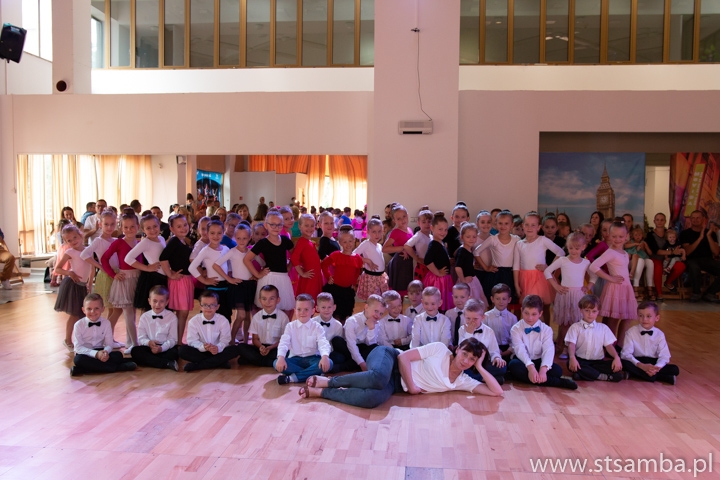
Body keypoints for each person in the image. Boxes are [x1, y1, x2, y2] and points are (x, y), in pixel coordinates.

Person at [299, 337, 503, 408]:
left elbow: (497, 392)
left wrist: (480, 367)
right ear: (457, 349)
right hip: (390, 358)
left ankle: (322, 393)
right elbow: (403, 357)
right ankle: (330, 382)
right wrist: (412, 387)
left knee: (371, 399)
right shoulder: (441, 349)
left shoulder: (462, 380)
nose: (466, 361)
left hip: (395, 384)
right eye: (465, 354)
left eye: (472, 359)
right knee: (378, 377)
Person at [508, 295, 577, 390]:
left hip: (539, 360)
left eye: (534, 314)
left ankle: (522, 378)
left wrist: (543, 370)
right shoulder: (515, 329)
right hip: (523, 361)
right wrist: (531, 368)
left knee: (557, 371)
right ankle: (558, 382)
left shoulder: (546, 329)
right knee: (513, 365)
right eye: (526, 313)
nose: (530, 317)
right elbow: (520, 350)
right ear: (521, 310)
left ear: (540, 313)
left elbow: (548, 350)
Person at [544, 232, 595, 358]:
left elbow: (594, 276)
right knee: (564, 323)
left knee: (576, 322)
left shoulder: (585, 263)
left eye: (577, 248)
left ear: (583, 247)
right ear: (567, 246)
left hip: (578, 295)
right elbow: (547, 271)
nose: (573, 251)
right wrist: (556, 286)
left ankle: (570, 347)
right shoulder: (563, 260)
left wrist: (588, 286)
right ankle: (559, 346)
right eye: (571, 248)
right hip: (565, 294)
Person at [589, 221, 638, 349]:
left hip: (626, 288)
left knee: (627, 318)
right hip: (615, 288)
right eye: (614, 236)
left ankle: (620, 345)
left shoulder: (625, 253)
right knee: (614, 318)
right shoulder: (610, 252)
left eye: (621, 236)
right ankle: (609, 346)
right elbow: (593, 266)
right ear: (609, 236)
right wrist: (610, 278)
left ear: (626, 236)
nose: (617, 239)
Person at [513, 211, 566, 323]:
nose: (529, 227)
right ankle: (530, 330)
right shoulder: (519, 244)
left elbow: (561, 252)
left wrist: (549, 267)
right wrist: (516, 285)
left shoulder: (542, 240)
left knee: (541, 307)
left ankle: (545, 330)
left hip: (539, 279)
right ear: (523, 225)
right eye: (527, 224)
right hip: (525, 280)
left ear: (539, 227)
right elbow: (516, 266)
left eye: (533, 225)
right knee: (529, 307)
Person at [81, 209, 123, 347]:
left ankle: (109, 339)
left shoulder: (116, 240)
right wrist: (100, 265)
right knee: (116, 308)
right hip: (106, 276)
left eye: (112, 224)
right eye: (106, 224)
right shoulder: (98, 241)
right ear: (100, 224)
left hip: (116, 275)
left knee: (112, 309)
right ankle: (106, 338)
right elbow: (84, 254)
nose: (109, 227)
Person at [244, 209, 296, 320]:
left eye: (279, 225)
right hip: (268, 278)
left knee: (284, 309)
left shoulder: (285, 240)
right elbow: (247, 259)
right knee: (268, 308)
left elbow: (295, 255)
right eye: (272, 225)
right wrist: (257, 274)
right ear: (266, 225)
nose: (276, 227)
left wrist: (289, 266)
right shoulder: (263, 243)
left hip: (283, 278)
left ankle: (282, 330)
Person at [101, 213, 142, 352]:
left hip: (137, 279)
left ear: (138, 226)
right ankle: (135, 344)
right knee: (129, 314)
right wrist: (113, 274)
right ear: (121, 228)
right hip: (124, 281)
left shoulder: (140, 243)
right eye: (126, 227)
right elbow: (104, 259)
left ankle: (130, 342)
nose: (129, 230)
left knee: (133, 314)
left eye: (132, 227)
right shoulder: (118, 242)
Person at [70, 293, 137, 376]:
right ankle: (118, 367)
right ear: (83, 310)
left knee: (118, 355)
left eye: (96, 308)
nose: (93, 312)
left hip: (101, 350)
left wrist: (105, 352)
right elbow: (78, 347)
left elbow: (109, 344)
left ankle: (84, 370)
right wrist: (96, 354)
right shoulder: (78, 325)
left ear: (103, 309)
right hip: (86, 353)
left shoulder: (106, 323)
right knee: (78, 360)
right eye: (89, 309)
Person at [214, 223, 258, 343]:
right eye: (238, 238)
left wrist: (256, 275)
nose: (241, 241)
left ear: (250, 237)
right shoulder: (232, 252)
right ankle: (232, 341)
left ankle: (245, 342)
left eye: (244, 238)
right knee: (241, 315)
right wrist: (229, 279)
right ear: (234, 237)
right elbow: (216, 265)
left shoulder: (251, 252)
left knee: (247, 316)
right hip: (238, 286)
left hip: (249, 286)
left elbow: (262, 263)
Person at [274, 294, 333, 384]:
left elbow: (323, 343)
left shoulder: (317, 327)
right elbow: (284, 342)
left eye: (306, 309)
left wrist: (325, 356)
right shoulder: (290, 326)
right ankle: (313, 373)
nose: (302, 312)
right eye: (299, 309)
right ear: (295, 310)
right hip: (295, 359)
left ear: (313, 311)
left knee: (329, 362)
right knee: (276, 363)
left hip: (312, 358)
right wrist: (281, 357)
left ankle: (292, 378)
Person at [565, 294, 623, 382]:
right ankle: (604, 377)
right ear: (581, 310)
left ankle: (584, 375)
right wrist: (572, 357)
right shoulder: (575, 327)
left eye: (594, 311)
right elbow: (571, 344)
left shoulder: (603, 328)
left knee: (618, 364)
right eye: (587, 310)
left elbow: (609, 346)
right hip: (581, 361)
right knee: (569, 364)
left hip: (598, 362)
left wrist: (616, 357)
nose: (590, 314)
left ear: (598, 311)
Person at [179, 291, 241, 371]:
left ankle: (198, 366)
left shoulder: (223, 320)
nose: (209, 308)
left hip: (218, 351)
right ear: (200, 307)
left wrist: (217, 348)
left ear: (217, 307)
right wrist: (203, 347)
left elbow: (225, 339)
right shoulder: (193, 321)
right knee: (183, 351)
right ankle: (219, 362)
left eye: (212, 305)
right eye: (205, 305)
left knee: (234, 350)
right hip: (201, 351)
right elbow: (192, 341)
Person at [620, 301, 679, 384]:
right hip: (638, 361)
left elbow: (665, 356)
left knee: (675, 369)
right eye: (641, 316)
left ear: (657, 318)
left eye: (648, 316)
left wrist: (656, 367)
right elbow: (626, 354)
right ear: (637, 316)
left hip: (653, 362)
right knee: (623, 363)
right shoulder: (631, 332)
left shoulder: (660, 334)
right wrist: (641, 365)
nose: (644, 319)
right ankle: (663, 377)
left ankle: (635, 374)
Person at [54, 225, 92, 351]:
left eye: (75, 237)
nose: (73, 241)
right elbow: (57, 269)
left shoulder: (88, 250)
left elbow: (92, 268)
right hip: (73, 285)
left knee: (83, 315)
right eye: (69, 240)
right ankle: (67, 340)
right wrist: (70, 273)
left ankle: (82, 340)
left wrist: (89, 283)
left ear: (80, 235)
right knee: (74, 314)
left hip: (83, 286)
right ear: (66, 242)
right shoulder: (70, 252)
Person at [159, 213, 195, 342]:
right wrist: (170, 274)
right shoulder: (174, 241)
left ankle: (177, 340)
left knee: (182, 313)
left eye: (185, 225)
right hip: (179, 280)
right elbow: (163, 258)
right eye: (179, 226)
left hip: (186, 279)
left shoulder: (183, 241)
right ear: (172, 229)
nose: (183, 228)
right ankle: (177, 341)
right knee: (182, 312)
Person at [189, 220, 232, 322]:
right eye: (212, 233)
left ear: (223, 233)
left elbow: (229, 265)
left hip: (225, 287)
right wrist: (204, 280)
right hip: (212, 287)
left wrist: (229, 276)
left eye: (219, 233)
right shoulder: (205, 250)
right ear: (207, 234)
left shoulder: (226, 249)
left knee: (225, 315)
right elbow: (192, 267)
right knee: (210, 315)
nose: (216, 236)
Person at [474, 210, 520, 305]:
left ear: (512, 225)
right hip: (496, 274)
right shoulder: (493, 239)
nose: (503, 226)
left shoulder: (516, 239)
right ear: (496, 224)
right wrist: (486, 268)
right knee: (494, 301)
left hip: (510, 274)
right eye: (500, 223)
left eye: (506, 223)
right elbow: (476, 252)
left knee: (509, 301)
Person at [237, 285, 289, 367]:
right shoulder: (256, 317)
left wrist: (270, 348)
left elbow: (283, 340)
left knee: (286, 353)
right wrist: (261, 347)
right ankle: (271, 362)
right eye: (264, 299)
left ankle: (255, 361)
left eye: (271, 299)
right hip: (260, 347)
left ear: (278, 300)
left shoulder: (283, 317)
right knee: (241, 347)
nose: (268, 302)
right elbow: (255, 339)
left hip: (275, 347)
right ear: (260, 300)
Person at [125, 214, 168, 313]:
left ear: (159, 225)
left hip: (163, 277)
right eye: (148, 228)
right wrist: (146, 268)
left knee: (161, 307)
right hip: (153, 278)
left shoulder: (161, 238)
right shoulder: (145, 242)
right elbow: (128, 258)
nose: (152, 230)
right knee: (149, 309)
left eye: (155, 226)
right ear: (143, 230)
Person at [457, 299, 506, 384]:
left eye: (475, 319)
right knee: (461, 370)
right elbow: (462, 349)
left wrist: (496, 357)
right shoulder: (462, 330)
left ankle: (476, 378)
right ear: (464, 316)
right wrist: (469, 333)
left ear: (482, 317)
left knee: (502, 368)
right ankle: (487, 379)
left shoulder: (489, 331)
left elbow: (494, 350)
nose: (471, 322)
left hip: (483, 363)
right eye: (468, 318)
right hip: (467, 363)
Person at [131, 285, 179, 371]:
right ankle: (167, 363)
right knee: (135, 351)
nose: (157, 304)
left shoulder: (172, 317)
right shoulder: (144, 317)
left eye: (161, 301)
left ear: (167, 302)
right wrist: (149, 343)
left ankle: (153, 361)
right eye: (155, 301)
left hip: (165, 347)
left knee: (175, 353)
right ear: (149, 301)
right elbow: (141, 338)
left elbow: (173, 339)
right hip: (150, 347)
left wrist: (161, 348)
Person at [333, 294, 385, 372]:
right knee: (337, 340)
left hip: (363, 349)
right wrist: (361, 363)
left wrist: (371, 329)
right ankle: (356, 364)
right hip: (349, 348)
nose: (378, 315)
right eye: (376, 311)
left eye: (381, 314)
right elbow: (351, 344)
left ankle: (343, 366)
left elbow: (370, 344)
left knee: (375, 347)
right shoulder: (352, 321)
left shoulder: (377, 323)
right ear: (366, 307)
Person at [321, 225, 363, 321]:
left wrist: (354, 283)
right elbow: (324, 264)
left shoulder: (358, 258)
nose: (348, 244)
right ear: (340, 242)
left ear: (354, 240)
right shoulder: (336, 255)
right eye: (344, 242)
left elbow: (357, 271)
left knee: (347, 313)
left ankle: (344, 329)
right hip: (336, 289)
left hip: (348, 290)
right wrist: (328, 276)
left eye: (350, 241)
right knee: (336, 313)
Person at [679, 210, 720, 303]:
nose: (695, 220)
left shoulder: (710, 233)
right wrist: (700, 238)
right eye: (693, 218)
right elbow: (688, 252)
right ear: (690, 219)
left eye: (698, 218)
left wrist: (708, 236)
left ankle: (710, 293)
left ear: (703, 219)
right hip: (691, 260)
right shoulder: (685, 233)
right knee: (694, 267)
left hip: (707, 260)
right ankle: (696, 293)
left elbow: (716, 252)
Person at [645, 212, 686, 298]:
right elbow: (656, 251)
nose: (659, 222)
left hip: (670, 259)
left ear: (665, 221)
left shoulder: (670, 233)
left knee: (681, 266)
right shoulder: (650, 235)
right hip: (656, 258)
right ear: (654, 221)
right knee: (658, 268)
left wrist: (677, 252)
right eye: (657, 220)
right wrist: (672, 252)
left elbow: (677, 245)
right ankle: (659, 293)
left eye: (662, 220)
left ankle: (668, 282)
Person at [423, 212, 454, 309]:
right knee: (437, 301)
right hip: (438, 280)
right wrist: (438, 273)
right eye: (440, 229)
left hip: (444, 278)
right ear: (432, 228)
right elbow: (427, 260)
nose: (443, 232)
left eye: (445, 230)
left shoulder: (441, 242)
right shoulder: (433, 244)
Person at [354, 218, 389, 301]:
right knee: (373, 301)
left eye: (379, 231)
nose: (377, 234)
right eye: (374, 232)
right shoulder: (366, 244)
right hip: (371, 278)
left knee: (381, 300)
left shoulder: (379, 245)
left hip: (380, 277)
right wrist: (367, 261)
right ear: (368, 231)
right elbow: (354, 255)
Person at [383, 204, 414, 297]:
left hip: (408, 263)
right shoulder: (395, 232)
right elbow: (384, 248)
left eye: (404, 216)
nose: (402, 220)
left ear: (407, 215)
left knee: (407, 289)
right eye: (399, 218)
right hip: (400, 264)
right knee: (399, 292)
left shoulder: (409, 229)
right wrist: (402, 248)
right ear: (394, 220)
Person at [291, 214, 323, 300]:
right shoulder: (302, 241)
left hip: (315, 276)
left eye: (312, 226)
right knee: (308, 301)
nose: (309, 228)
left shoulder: (309, 242)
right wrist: (301, 273)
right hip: (309, 277)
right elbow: (294, 258)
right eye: (306, 225)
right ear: (300, 226)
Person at [455, 222, 488, 305]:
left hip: (473, 279)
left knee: (479, 297)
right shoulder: (462, 251)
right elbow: (458, 267)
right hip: (467, 281)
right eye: (468, 237)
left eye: (474, 237)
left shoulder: (469, 249)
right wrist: (463, 280)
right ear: (462, 237)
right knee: (469, 300)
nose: (471, 239)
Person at [483, 283, 518, 360]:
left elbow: (515, 338)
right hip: (491, 349)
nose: (501, 302)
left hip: (508, 349)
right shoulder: (486, 316)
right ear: (492, 299)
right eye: (498, 299)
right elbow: (484, 336)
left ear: (509, 300)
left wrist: (508, 351)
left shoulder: (513, 318)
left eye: (504, 299)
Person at [311, 292, 346, 368]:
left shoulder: (338, 325)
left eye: (329, 307)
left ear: (334, 307)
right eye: (323, 307)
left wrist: (326, 355)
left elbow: (337, 345)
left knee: (339, 358)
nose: (326, 310)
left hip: (330, 353)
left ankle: (322, 365)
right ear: (317, 308)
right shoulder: (312, 322)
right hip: (315, 353)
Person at [624, 224, 655, 300]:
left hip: (643, 257)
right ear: (632, 236)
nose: (638, 237)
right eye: (636, 235)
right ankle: (636, 288)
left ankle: (649, 287)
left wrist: (645, 247)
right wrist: (635, 244)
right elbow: (625, 246)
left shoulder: (643, 243)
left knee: (650, 262)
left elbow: (650, 253)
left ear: (642, 235)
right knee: (640, 261)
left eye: (639, 235)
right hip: (633, 260)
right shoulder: (631, 242)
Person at [403, 209, 433, 281]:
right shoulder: (419, 235)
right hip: (422, 266)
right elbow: (407, 246)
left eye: (429, 222)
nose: (427, 224)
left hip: (430, 265)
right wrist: (416, 258)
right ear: (419, 223)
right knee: (421, 284)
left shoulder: (431, 236)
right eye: (424, 222)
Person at [473, 210, 495, 300]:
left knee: (489, 296)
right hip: (478, 272)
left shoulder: (494, 239)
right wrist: (472, 264)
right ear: (477, 224)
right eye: (482, 222)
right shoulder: (474, 239)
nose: (486, 224)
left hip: (491, 272)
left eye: (488, 222)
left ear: (492, 224)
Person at [444, 282, 472, 348]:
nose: (459, 300)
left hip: (466, 346)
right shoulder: (448, 313)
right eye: (456, 297)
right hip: (451, 346)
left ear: (469, 298)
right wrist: (449, 344)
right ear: (452, 297)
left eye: (462, 297)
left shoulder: (471, 315)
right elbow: (447, 331)